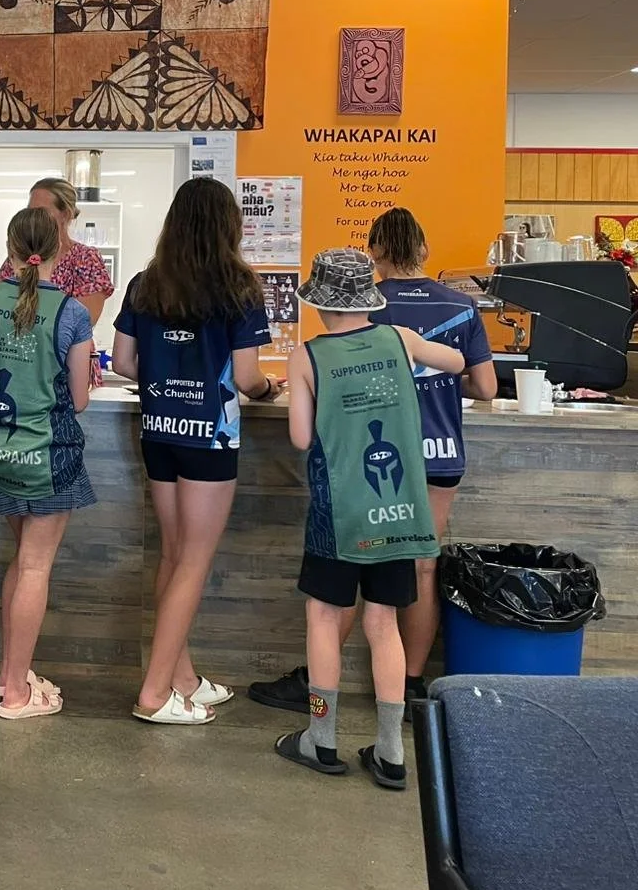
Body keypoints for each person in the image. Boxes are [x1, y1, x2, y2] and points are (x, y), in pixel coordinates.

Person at [247, 209, 497, 714]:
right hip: (431, 462)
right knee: (415, 577)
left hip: (353, 481)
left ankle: (320, 713)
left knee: (331, 600)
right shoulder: (443, 315)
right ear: (423, 248)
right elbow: (483, 384)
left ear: (377, 251)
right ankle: (405, 698)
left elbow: (304, 433)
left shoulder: (324, 345)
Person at [274, 248, 461, 792]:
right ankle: (390, 750)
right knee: (383, 624)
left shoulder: (307, 357)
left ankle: (321, 736)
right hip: (399, 509)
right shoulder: (400, 339)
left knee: (324, 618)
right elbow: (456, 362)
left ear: (320, 303)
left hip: (339, 509)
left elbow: (302, 438)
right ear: (367, 300)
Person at [112, 178, 275, 725]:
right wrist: (268, 391)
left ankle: (182, 678)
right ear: (229, 225)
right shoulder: (240, 287)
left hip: (159, 431)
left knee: (174, 555)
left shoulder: (146, 283)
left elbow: (124, 363)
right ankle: (154, 692)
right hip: (210, 437)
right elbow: (248, 377)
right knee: (193, 561)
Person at [0, 207, 94, 720]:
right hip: (49, 452)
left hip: (0, 450)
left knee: (23, 561)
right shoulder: (71, 313)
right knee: (36, 566)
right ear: (58, 249)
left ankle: (10, 672)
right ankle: (17, 692)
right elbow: (78, 399)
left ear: (10, 248)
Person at [0, 177, 114, 386]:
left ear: (65, 214)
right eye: (30, 210)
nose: (34, 217)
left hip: (68, 371)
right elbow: (0, 315)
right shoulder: (20, 256)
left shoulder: (85, 259)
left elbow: (81, 324)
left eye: (41, 211)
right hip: (21, 365)